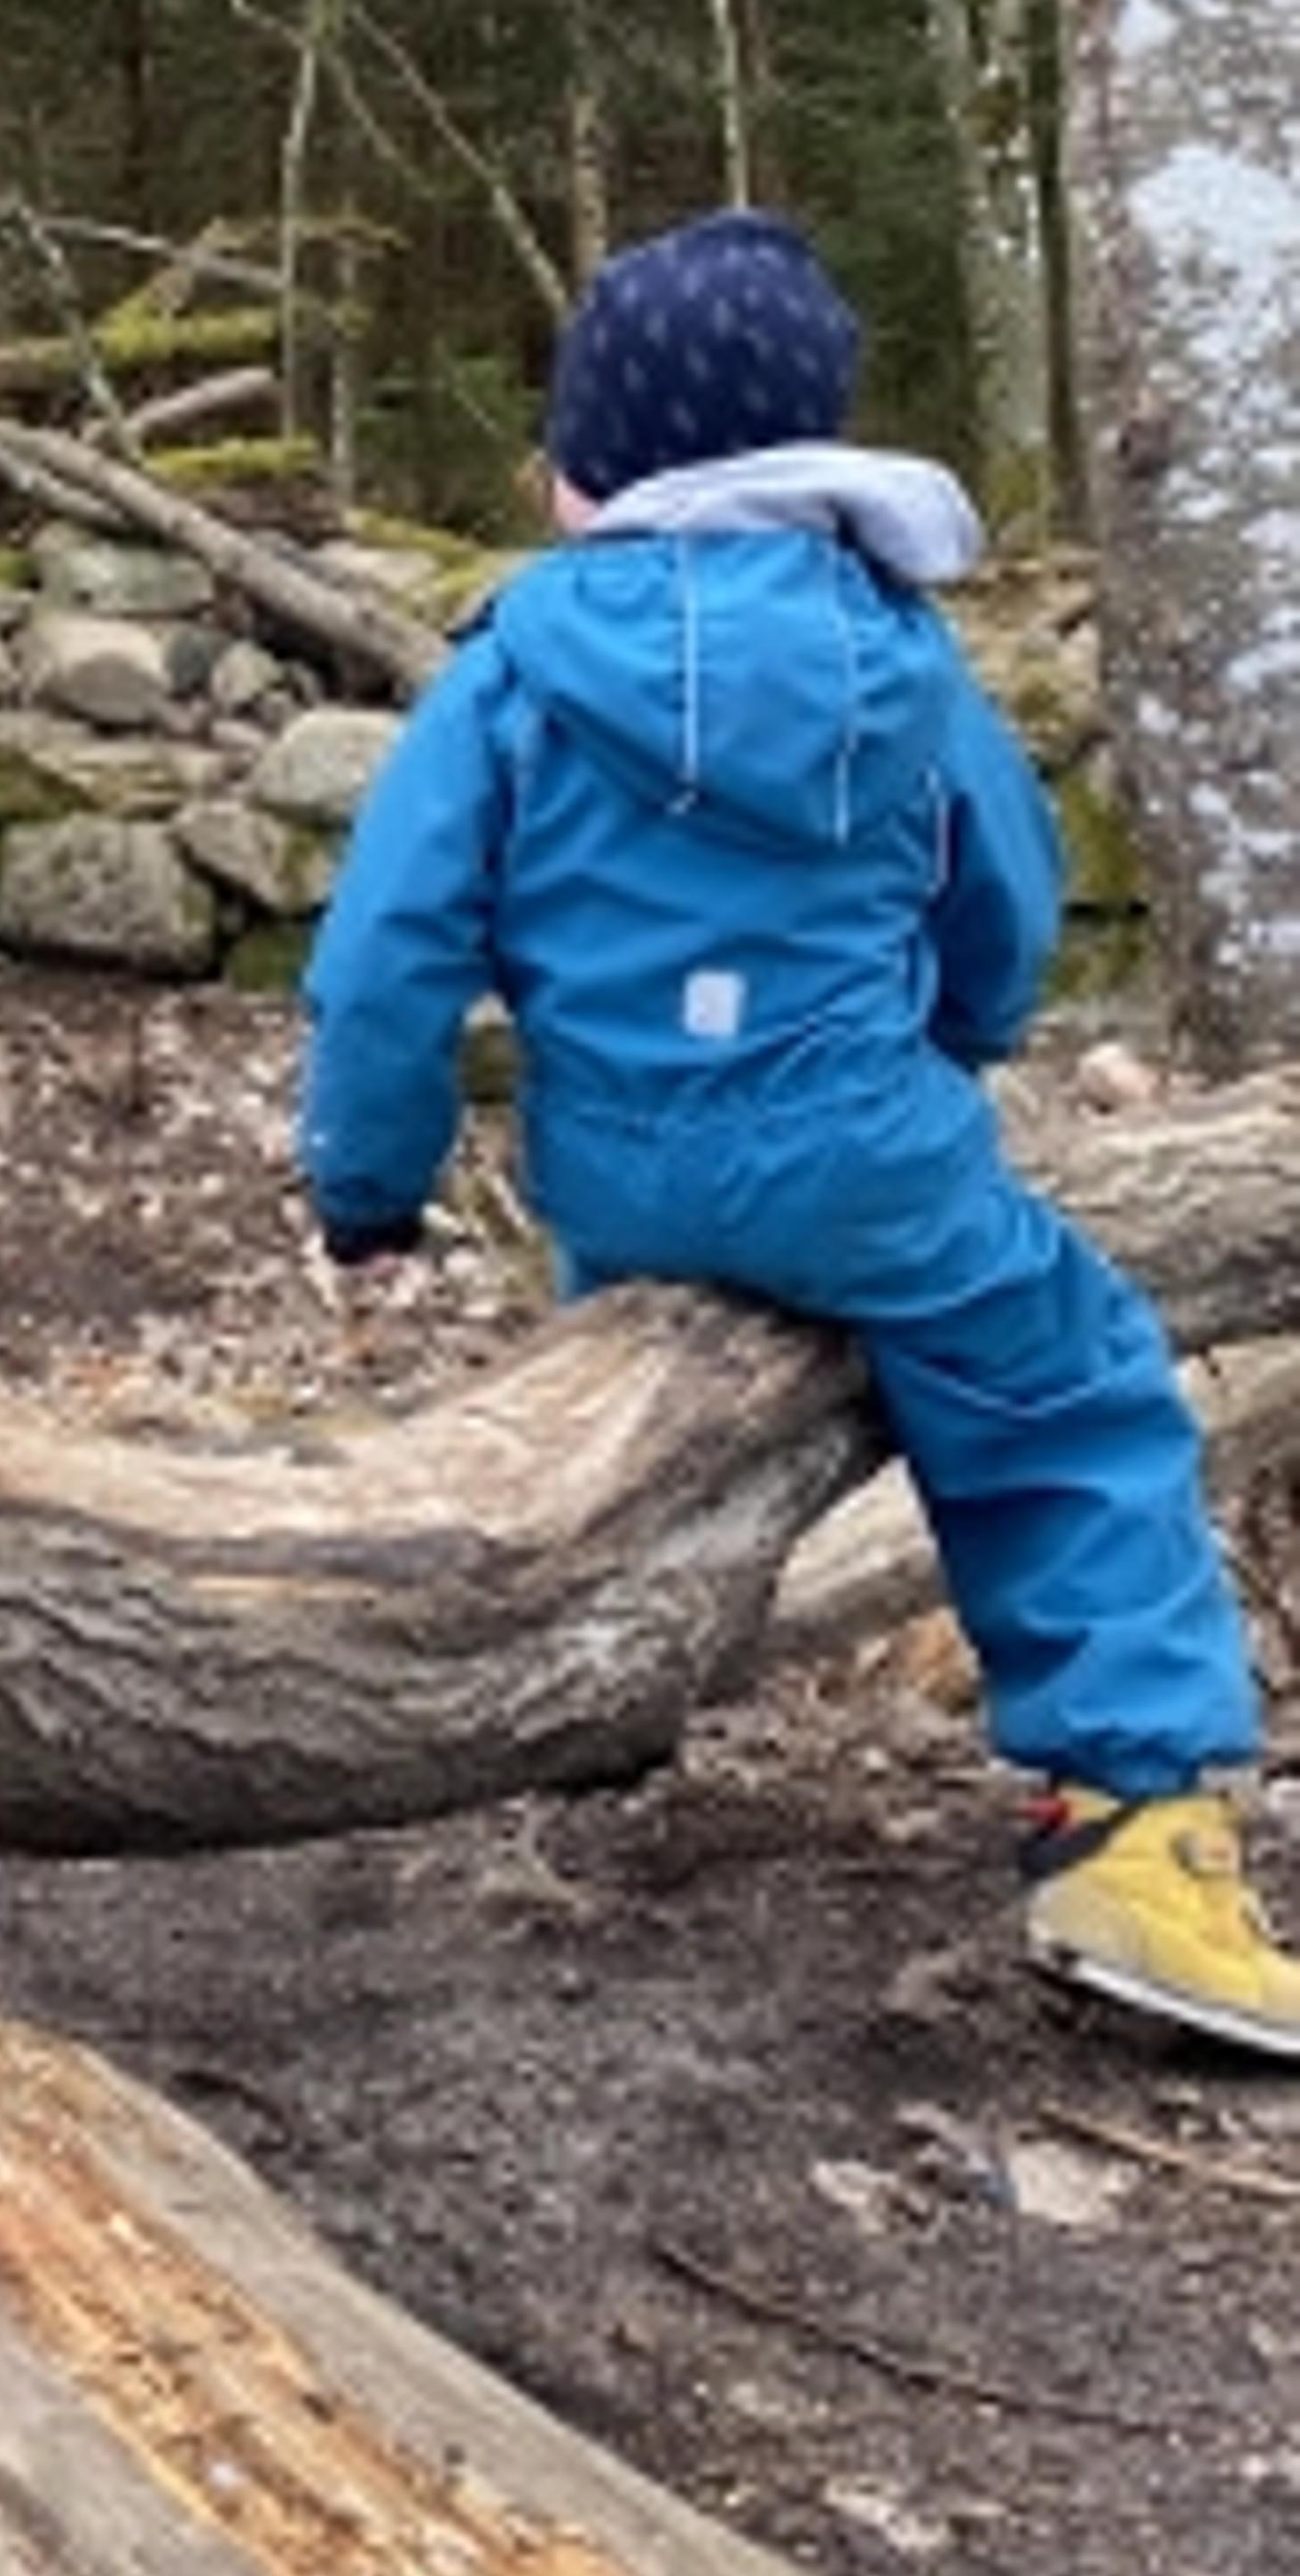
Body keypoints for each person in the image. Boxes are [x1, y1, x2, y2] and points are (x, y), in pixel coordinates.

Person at [297, 206, 1300, 2055]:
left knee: (625, 1399)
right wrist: (965, 1045)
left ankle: (581, 1702)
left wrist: (364, 1186)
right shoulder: (896, 657)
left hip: (612, 1165)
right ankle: (1139, 1834)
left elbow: (388, 959)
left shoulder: (512, 664)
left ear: (593, 463)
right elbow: (1000, 901)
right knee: (1071, 1401)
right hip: (865, 1149)